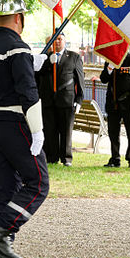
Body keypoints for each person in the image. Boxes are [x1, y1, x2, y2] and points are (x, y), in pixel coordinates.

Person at [0, 0, 49, 258]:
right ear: (19, 18)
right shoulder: (17, 47)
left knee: (7, 187)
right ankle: (1, 233)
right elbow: (28, 93)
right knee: (38, 183)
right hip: (13, 123)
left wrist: (30, 62)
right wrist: (37, 130)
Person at [36, 33, 84, 167]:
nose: (57, 42)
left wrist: (79, 100)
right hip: (48, 100)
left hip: (66, 100)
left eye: (60, 39)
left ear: (65, 41)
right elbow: (36, 74)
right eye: (54, 39)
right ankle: (51, 157)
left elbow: (80, 80)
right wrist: (47, 62)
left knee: (66, 131)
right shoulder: (43, 56)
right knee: (49, 130)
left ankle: (66, 158)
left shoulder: (74, 57)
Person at [100, 50, 130, 168]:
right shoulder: (110, 60)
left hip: (128, 102)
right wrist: (109, 69)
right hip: (113, 103)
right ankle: (115, 158)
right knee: (113, 132)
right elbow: (103, 79)